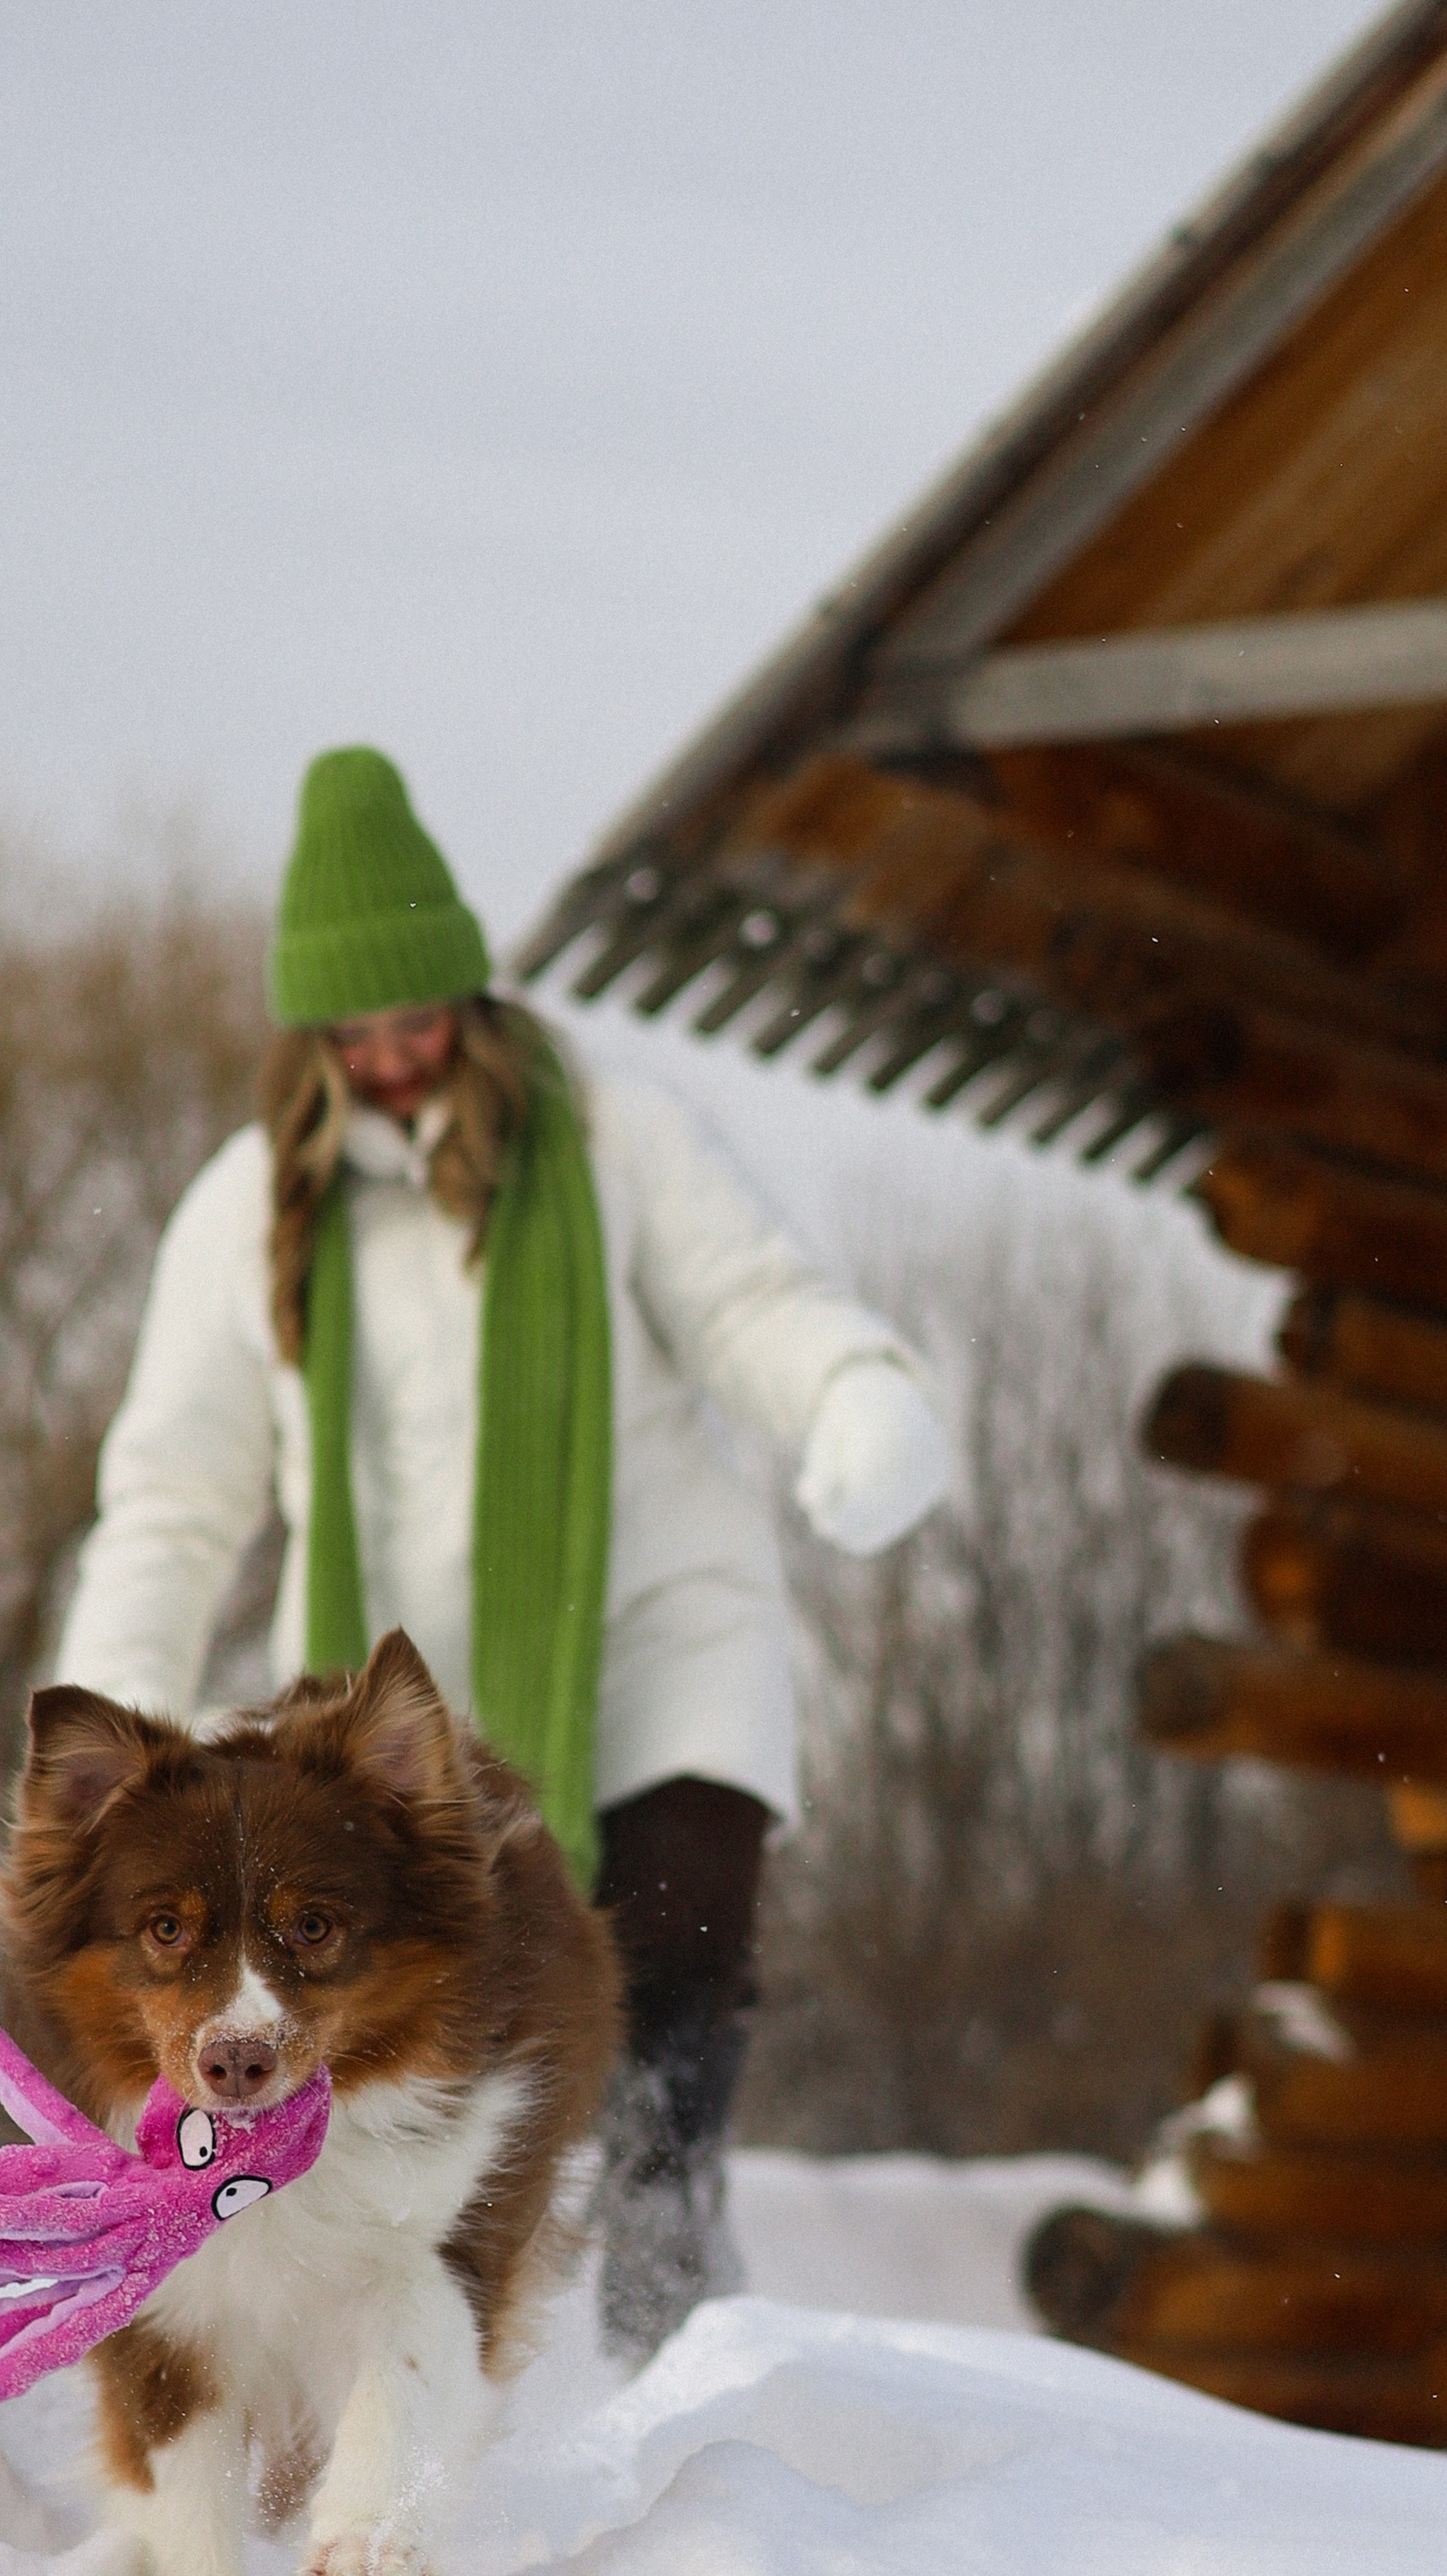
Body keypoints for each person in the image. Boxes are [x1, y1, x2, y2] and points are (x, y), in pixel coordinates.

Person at [55, 747, 949, 2358]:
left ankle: (673, 2280)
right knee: (441, 2022)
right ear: (312, 1036)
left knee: (680, 1951)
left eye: (421, 1019)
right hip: (396, 1713)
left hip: (659, 1633)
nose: (396, 1059)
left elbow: (756, 1303)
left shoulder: (615, 1136)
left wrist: (853, 1399)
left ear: (469, 998)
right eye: (359, 1030)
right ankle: (410, 2303)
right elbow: (178, 1493)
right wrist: (117, 1721)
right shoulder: (248, 1208)